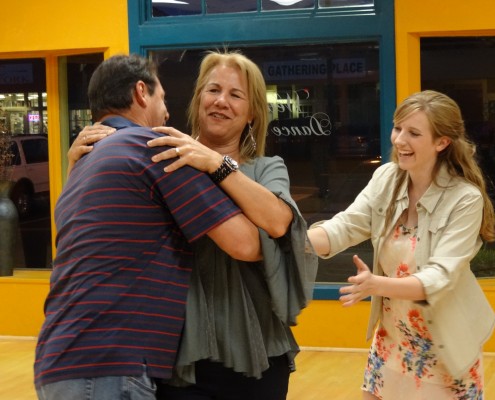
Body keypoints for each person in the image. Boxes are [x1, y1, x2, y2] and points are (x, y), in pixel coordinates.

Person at [71, 50, 318, 400]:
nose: (221, 101)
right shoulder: (166, 157)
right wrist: (78, 166)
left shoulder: (266, 167)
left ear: (251, 113)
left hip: (257, 350)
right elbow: (100, 228)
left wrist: (216, 164)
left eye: (236, 95)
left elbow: (279, 222)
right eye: (213, 90)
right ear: (198, 97)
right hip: (179, 355)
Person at [34, 54, 262, 400]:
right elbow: (247, 244)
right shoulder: (154, 149)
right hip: (109, 364)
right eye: (163, 98)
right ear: (142, 92)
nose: (167, 113)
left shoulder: (82, 165)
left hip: (57, 360)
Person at [308, 90, 495, 399]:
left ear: (442, 142)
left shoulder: (465, 199)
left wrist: (375, 284)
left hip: (444, 349)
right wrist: (290, 241)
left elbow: (439, 278)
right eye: (398, 128)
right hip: (392, 341)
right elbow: (346, 225)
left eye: (414, 133)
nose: (398, 140)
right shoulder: (387, 177)